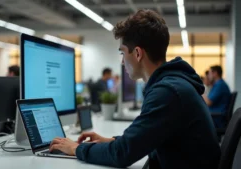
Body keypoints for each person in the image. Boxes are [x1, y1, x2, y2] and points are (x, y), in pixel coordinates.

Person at [49, 9, 220, 169]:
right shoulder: (173, 85)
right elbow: (145, 139)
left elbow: (122, 154)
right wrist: (111, 141)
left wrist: (76, 149)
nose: (122, 62)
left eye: (123, 53)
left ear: (137, 53)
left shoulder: (167, 92)